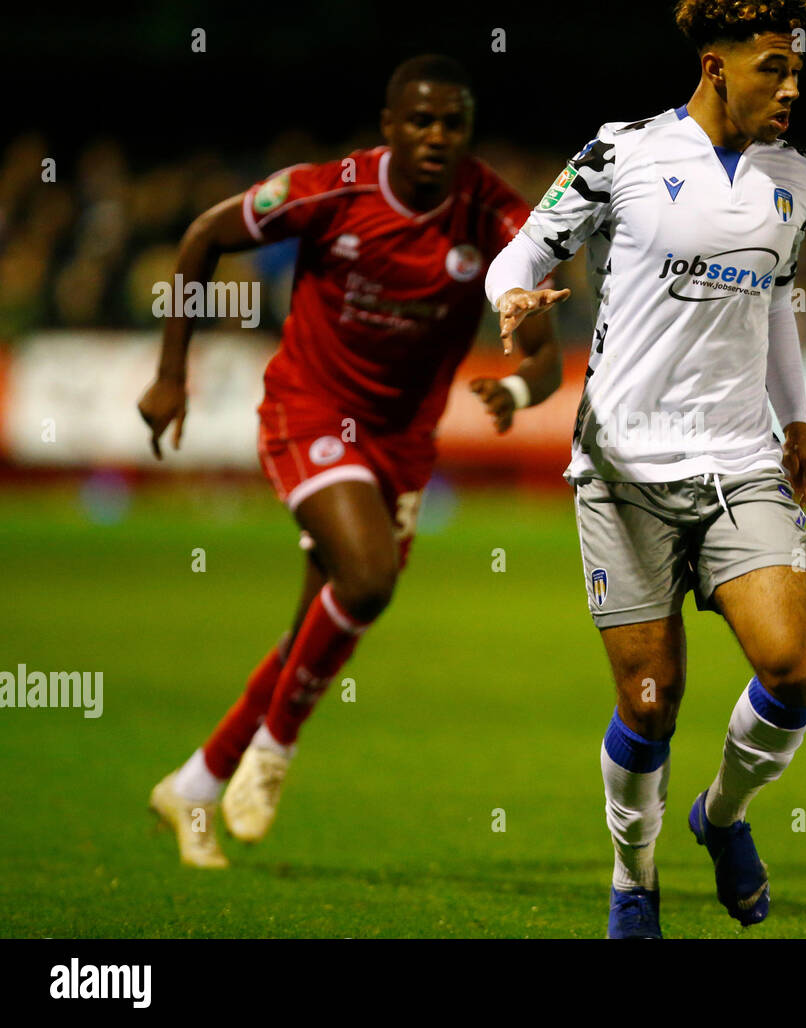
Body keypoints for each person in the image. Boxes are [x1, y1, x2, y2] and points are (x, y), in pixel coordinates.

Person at [139, 54, 562, 868]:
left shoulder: (499, 219)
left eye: (454, 124)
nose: (438, 137)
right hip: (309, 408)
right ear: (390, 127)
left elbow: (542, 356)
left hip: (402, 443)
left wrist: (518, 388)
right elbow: (201, 238)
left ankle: (193, 786)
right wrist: (169, 374)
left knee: (314, 628)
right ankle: (275, 751)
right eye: (421, 122)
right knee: (366, 580)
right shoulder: (328, 190)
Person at [485, 0, 806, 937]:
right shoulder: (620, 152)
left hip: (737, 462)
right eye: (773, 69)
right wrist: (511, 299)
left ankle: (721, 816)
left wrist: (795, 423)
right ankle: (633, 880)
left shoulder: (794, 178)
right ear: (715, 67)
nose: (792, 87)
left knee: (793, 666)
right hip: (623, 474)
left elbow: (775, 307)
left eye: (798, 70)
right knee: (650, 699)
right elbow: (523, 251)